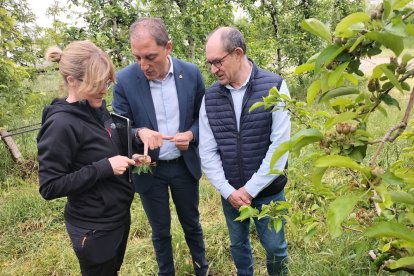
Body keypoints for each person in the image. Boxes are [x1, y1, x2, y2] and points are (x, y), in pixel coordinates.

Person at [37, 40, 148, 276]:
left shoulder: (96, 109)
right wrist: (104, 167)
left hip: (117, 217)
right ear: (71, 81)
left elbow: (104, 148)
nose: (103, 89)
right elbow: (50, 186)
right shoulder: (61, 124)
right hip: (93, 228)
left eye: (106, 82)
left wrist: (130, 157)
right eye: (96, 83)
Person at [112, 17, 208, 276]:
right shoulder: (125, 80)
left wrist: (191, 134)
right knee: (160, 230)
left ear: (168, 48)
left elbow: (204, 117)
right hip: (149, 170)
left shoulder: (191, 73)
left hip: (183, 165)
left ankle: (202, 269)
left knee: (192, 224)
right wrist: (140, 132)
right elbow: (119, 128)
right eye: (137, 57)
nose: (144, 65)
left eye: (150, 56)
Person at [199, 27, 291, 276]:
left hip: (268, 192)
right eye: (210, 63)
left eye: (218, 62)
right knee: (238, 245)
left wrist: (250, 190)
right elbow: (207, 152)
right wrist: (229, 192)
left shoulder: (275, 87)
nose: (213, 69)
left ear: (238, 53)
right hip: (230, 194)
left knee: (275, 248)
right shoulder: (209, 98)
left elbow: (280, 146)